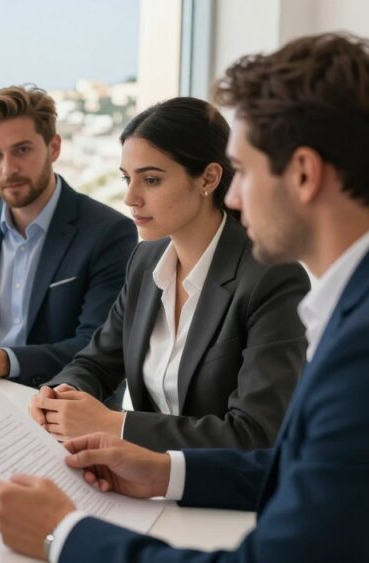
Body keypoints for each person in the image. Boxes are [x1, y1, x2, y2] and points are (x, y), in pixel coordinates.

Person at [0, 32, 369, 562]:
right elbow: (306, 465)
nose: (237, 196)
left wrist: (61, 536)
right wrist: (163, 470)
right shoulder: (368, 300)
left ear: (304, 174)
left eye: (242, 171)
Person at [30, 97, 309, 451]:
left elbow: (254, 435)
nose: (131, 197)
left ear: (208, 178)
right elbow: (97, 362)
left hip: (219, 493)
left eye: (151, 180)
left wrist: (116, 425)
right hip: (140, 481)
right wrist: (61, 394)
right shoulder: (146, 261)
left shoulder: (272, 278)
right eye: (127, 178)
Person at [0, 85, 138, 392]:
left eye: (22, 150)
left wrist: (6, 361)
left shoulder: (108, 232)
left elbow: (98, 346)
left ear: (54, 147)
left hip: (61, 400)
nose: (9, 169)